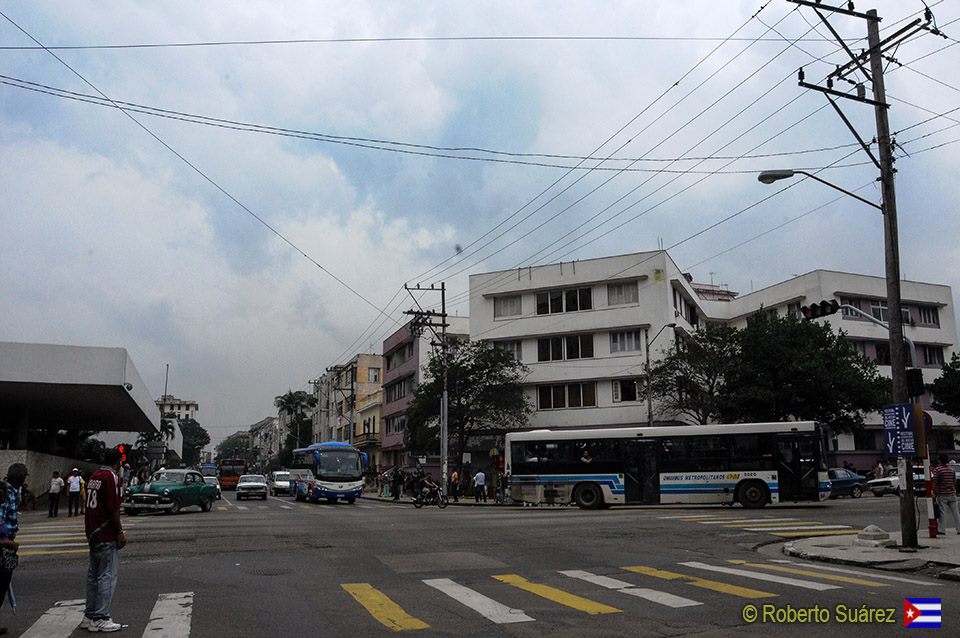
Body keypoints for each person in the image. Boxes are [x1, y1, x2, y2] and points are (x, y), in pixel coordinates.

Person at [81, 449, 126, 633]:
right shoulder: (110, 477)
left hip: (92, 531)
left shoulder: (94, 475)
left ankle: (89, 615)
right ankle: (101, 617)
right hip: (105, 531)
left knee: (93, 576)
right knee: (107, 576)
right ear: (118, 462)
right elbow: (113, 508)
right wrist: (120, 531)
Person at [0, 463, 28, 635]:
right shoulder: (6, 493)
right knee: (1, 584)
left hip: (7, 542)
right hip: (4, 546)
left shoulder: (12, 491)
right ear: (21, 478)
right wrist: (8, 542)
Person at [932, 454, 959, 536]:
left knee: (942, 512)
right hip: (952, 493)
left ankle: (942, 529)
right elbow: (954, 482)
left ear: (939, 460)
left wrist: (934, 493)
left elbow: (935, 482)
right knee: (956, 513)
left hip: (942, 494)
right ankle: (959, 528)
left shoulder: (938, 470)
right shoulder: (951, 470)